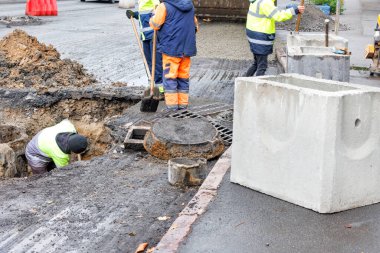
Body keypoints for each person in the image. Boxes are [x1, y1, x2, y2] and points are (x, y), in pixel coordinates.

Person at [149, 0, 198, 111]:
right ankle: (182, 106)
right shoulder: (190, 6)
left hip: (171, 50)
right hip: (187, 49)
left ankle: (172, 108)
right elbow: (196, 27)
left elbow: (155, 25)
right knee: (183, 78)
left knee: (170, 78)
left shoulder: (163, 6)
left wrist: (153, 14)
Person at [245, 0, 305, 76]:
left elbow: (272, 12)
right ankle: (258, 86)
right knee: (262, 66)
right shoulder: (266, 2)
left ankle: (244, 81)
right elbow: (278, 16)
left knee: (256, 63)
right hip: (260, 37)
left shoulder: (258, 1)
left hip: (254, 35)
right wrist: (294, 10)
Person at [127, 0, 164, 96]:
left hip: (154, 35)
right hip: (145, 37)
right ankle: (151, 87)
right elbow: (143, 15)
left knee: (156, 62)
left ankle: (160, 89)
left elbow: (158, 13)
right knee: (148, 63)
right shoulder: (141, 1)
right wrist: (135, 14)